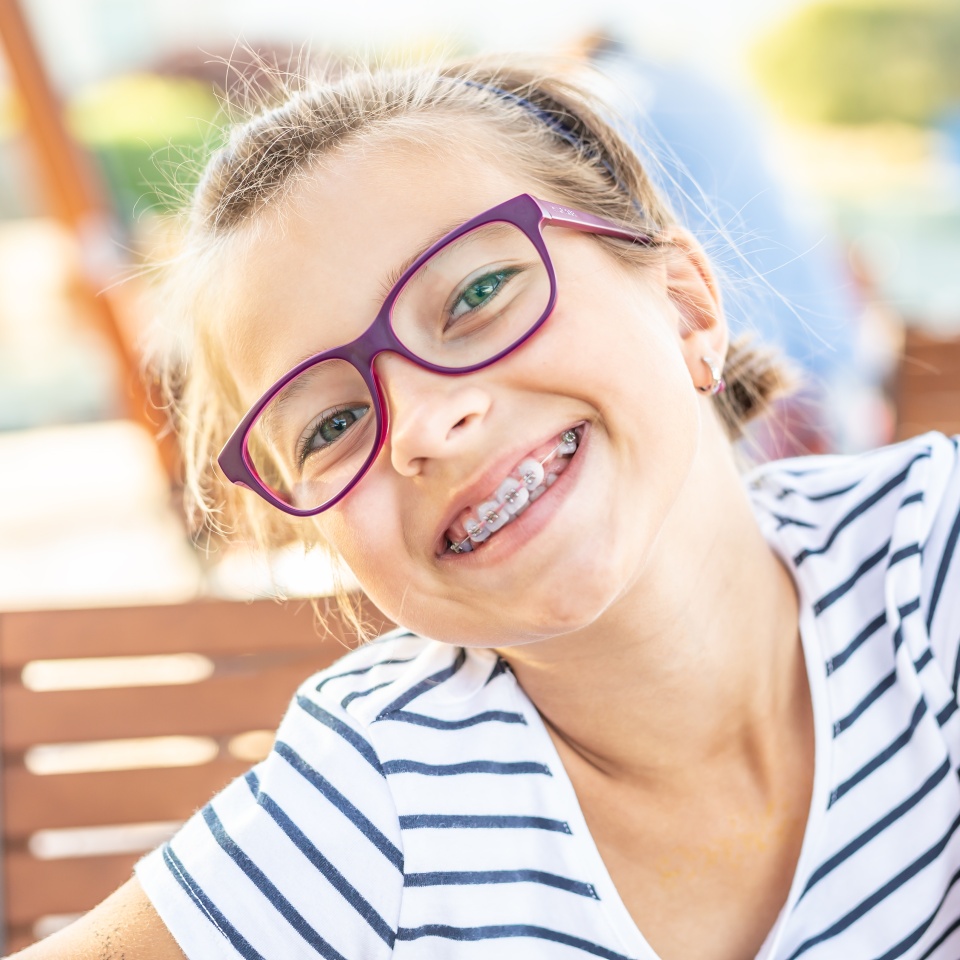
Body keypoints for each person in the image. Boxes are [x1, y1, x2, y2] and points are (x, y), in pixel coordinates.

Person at [14, 56, 960, 960]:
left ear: (685, 305)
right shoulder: (379, 803)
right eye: (334, 423)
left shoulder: (929, 556)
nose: (422, 425)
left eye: (476, 294)